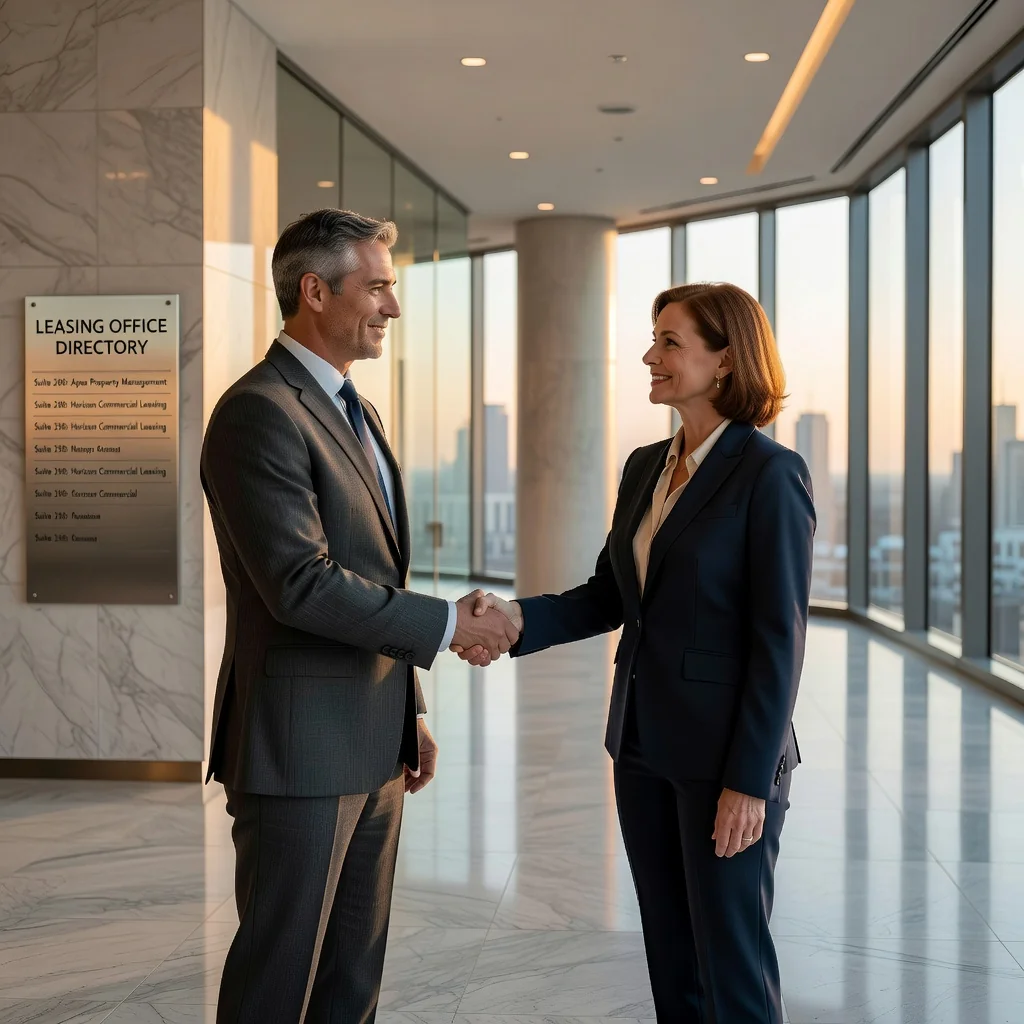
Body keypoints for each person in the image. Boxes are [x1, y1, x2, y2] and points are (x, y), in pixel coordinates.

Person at [456, 282, 815, 1023]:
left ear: (724, 361)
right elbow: (608, 596)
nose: (650, 355)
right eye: (653, 338)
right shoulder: (644, 467)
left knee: (733, 965)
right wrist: (515, 618)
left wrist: (749, 781)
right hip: (642, 747)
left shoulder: (770, 475)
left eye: (669, 341)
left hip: (726, 763)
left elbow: (778, 640)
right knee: (672, 961)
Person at [201, 208, 519, 1023]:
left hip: (373, 742)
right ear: (314, 291)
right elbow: (302, 584)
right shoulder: (259, 411)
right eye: (377, 286)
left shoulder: (356, 410)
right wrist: (449, 626)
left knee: (352, 979)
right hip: (300, 754)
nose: (393, 307)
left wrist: (405, 712)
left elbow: (374, 569)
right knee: (281, 979)